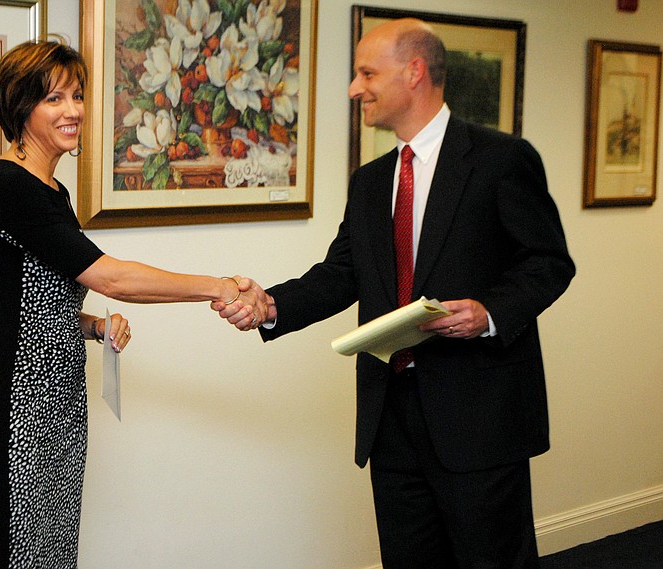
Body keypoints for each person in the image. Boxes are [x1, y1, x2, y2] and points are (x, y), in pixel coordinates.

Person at [215, 18, 575, 569]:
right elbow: (342, 273)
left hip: (478, 419)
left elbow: (548, 262)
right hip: (391, 421)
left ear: (415, 72)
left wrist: (490, 313)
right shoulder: (370, 181)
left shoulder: (501, 160)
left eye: (365, 73)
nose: (355, 88)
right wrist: (272, 305)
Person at [0, 39, 265, 569]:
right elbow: (112, 277)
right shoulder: (5, 184)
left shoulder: (50, 192)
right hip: (11, 404)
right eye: (54, 99)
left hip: (57, 401)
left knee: (50, 554)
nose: (72, 110)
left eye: (76, 95)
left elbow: (29, 304)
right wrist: (217, 286)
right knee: (7, 555)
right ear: (20, 107)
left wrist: (93, 327)